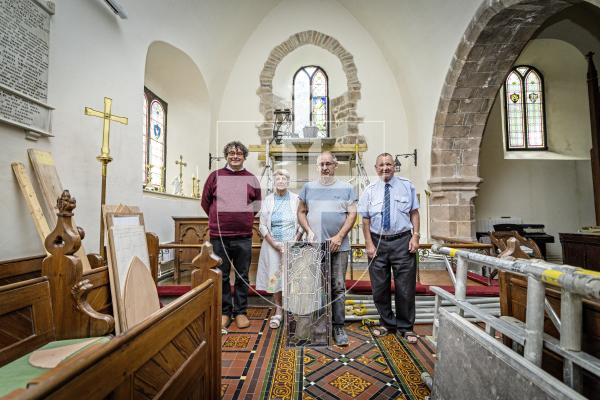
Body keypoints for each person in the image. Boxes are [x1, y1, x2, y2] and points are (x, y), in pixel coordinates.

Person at [358, 153, 420, 343]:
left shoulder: (407, 185)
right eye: (381, 165)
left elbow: (414, 213)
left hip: (403, 241)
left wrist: (416, 236)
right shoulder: (369, 190)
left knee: (405, 287)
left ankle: (406, 327)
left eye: (389, 164)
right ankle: (386, 323)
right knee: (379, 288)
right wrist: (369, 243)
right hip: (378, 242)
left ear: (394, 166)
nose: (385, 168)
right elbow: (366, 220)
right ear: (376, 168)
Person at [297, 151, 357, 346]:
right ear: (318, 166)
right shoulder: (308, 187)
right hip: (314, 247)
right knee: (314, 286)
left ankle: (338, 326)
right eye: (321, 164)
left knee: (338, 286)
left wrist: (339, 237)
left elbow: (352, 215)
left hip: (339, 247)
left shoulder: (346, 187)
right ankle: (318, 324)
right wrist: (309, 231)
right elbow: (301, 212)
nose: (324, 168)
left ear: (335, 165)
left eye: (328, 164)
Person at [201, 141, 261, 330]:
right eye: (231, 153)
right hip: (220, 235)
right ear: (226, 155)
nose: (235, 156)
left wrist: (243, 218)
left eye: (239, 153)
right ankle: (225, 312)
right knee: (223, 275)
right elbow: (205, 202)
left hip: (243, 235)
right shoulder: (215, 176)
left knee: (242, 275)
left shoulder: (251, 178)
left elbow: (257, 205)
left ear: (244, 156)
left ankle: (241, 312)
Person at [256, 169, 301, 329]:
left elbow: (302, 223)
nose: (281, 180)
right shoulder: (268, 200)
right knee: (274, 277)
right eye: (278, 178)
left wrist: (294, 242)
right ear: (274, 182)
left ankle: (292, 310)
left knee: (292, 278)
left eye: (284, 178)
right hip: (272, 246)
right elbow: (261, 225)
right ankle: (279, 310)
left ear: (288, 182)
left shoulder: (296, 199)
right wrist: (274, 243)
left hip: (292, 245)